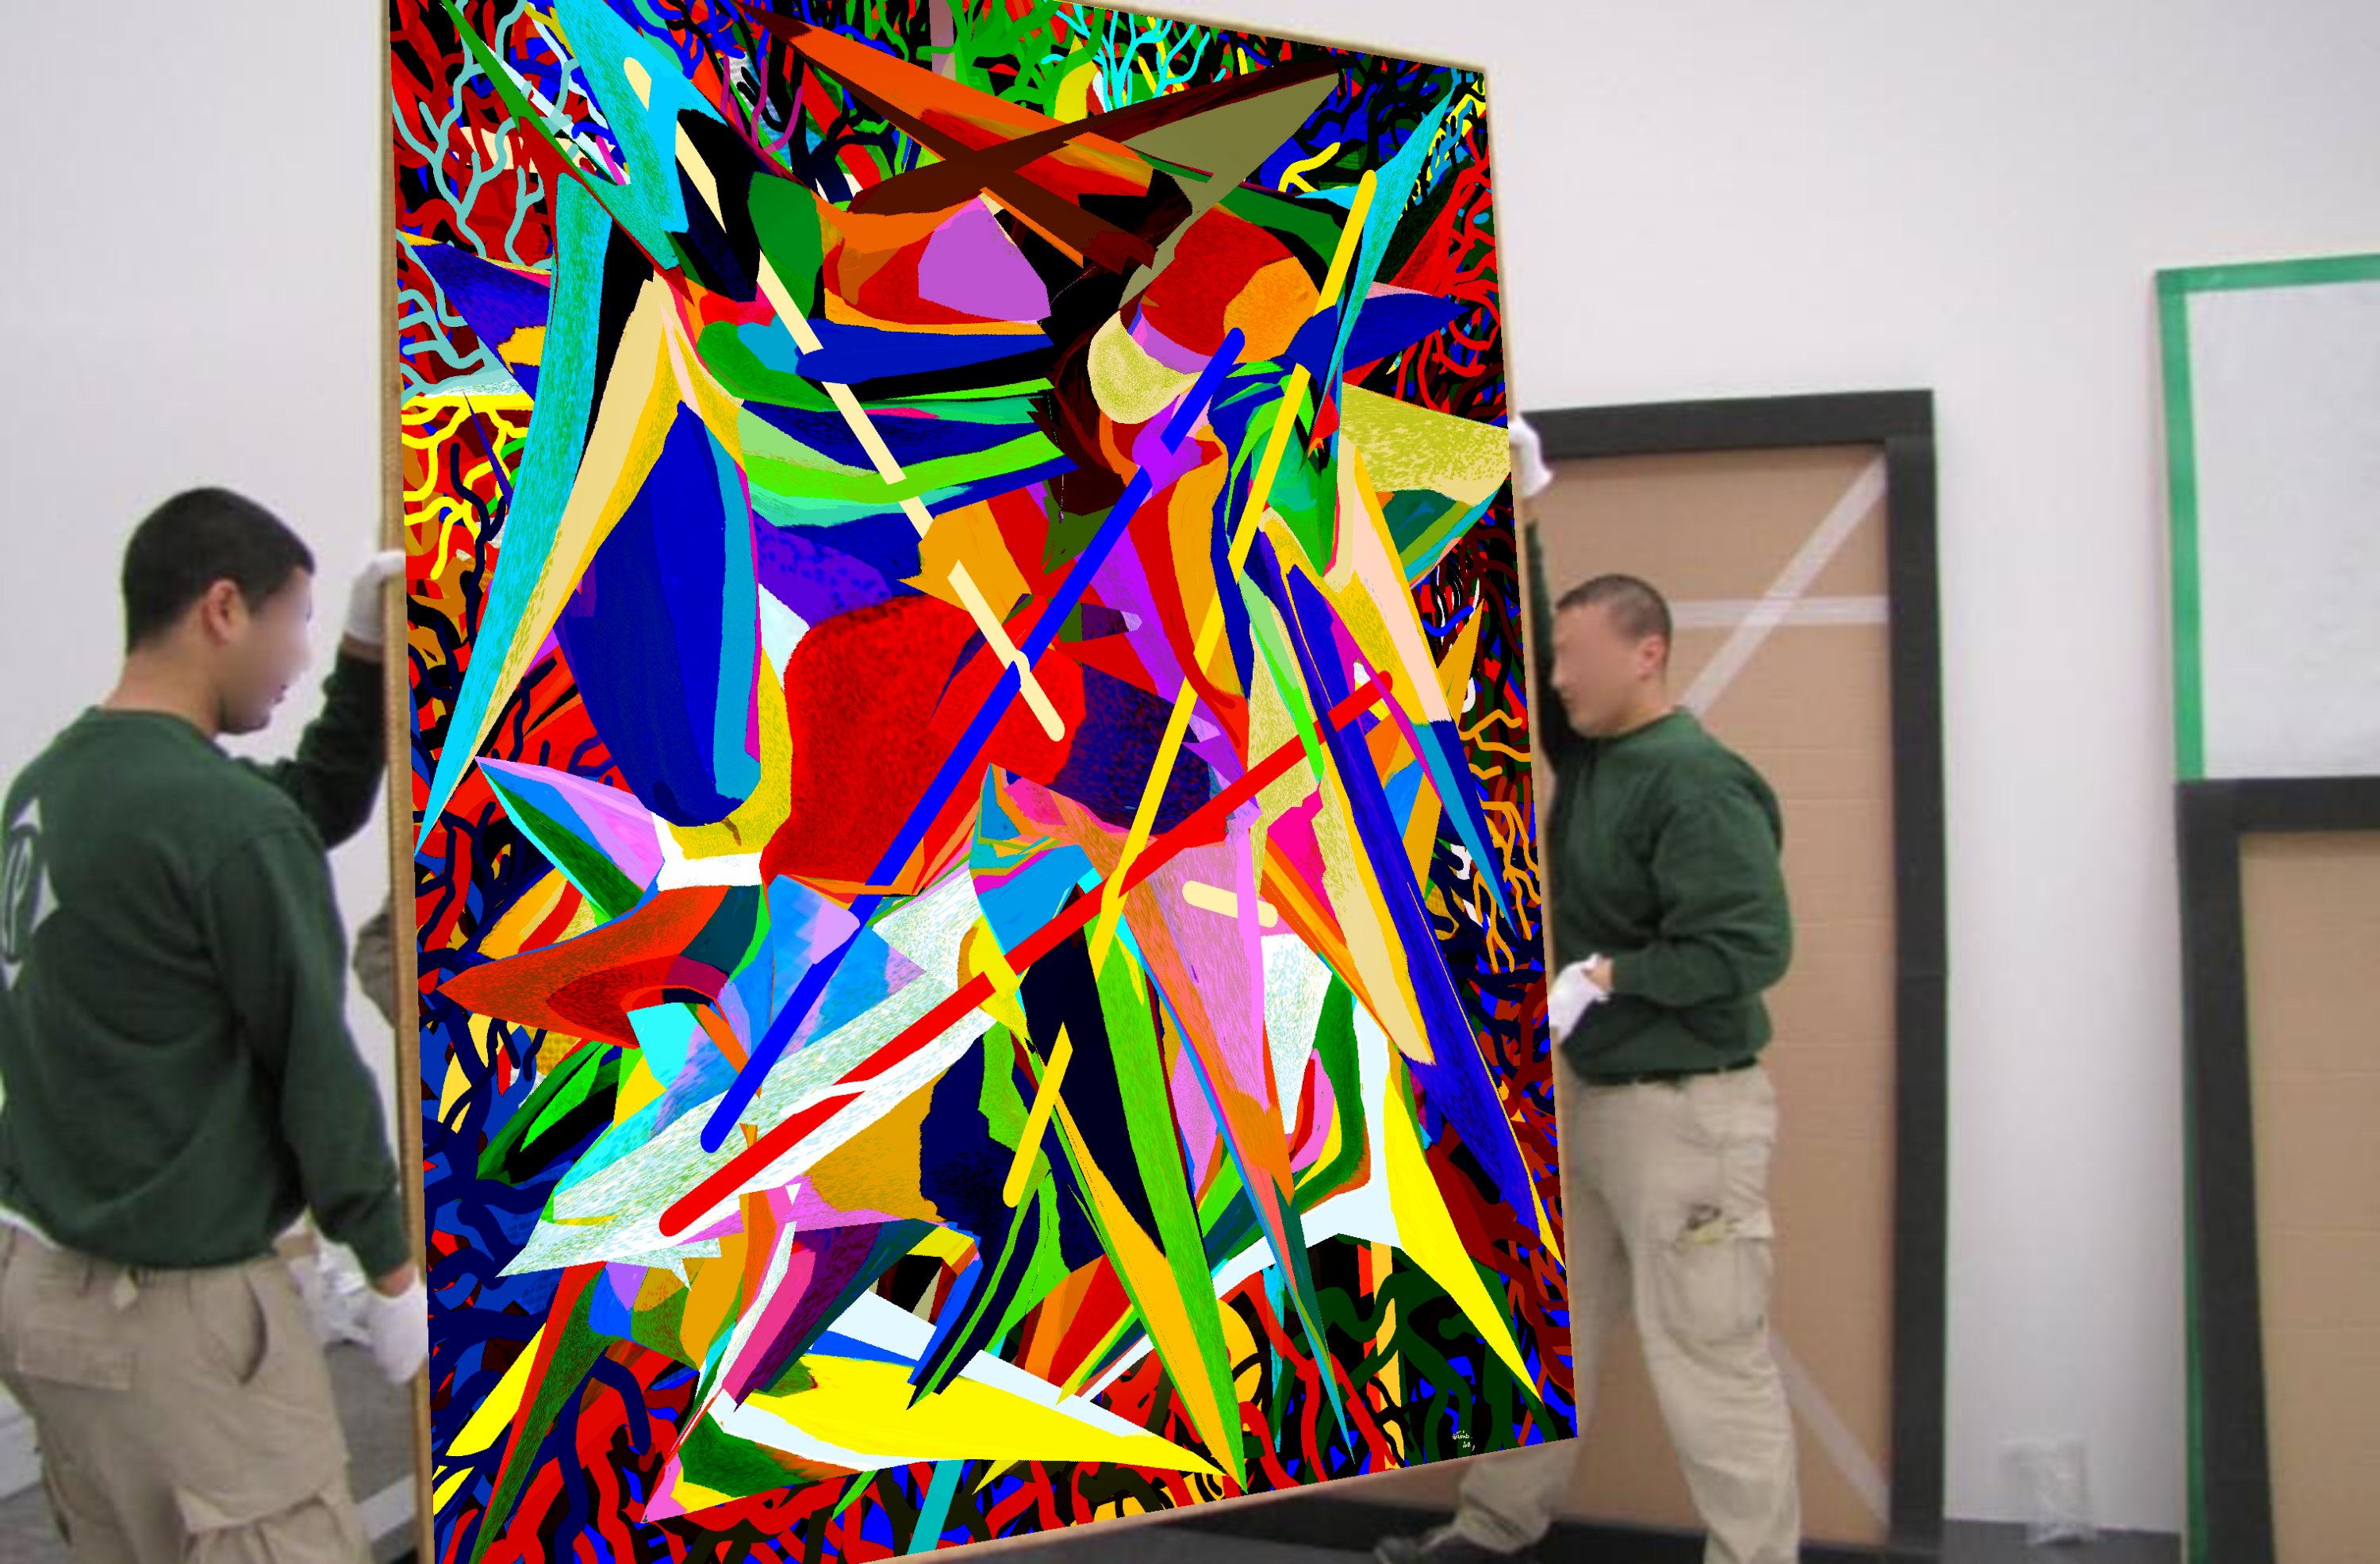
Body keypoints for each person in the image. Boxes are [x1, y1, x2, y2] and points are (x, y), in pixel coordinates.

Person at [1377, 421, 1800, 1564]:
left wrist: (1610, 976)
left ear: (1646, 655)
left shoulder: (1697, 784)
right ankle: (1490, 1532)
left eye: (1579, 660)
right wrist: (1516, 512)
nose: (1557, 681)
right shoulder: (1606, 755)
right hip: (1595, 1100)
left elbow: (1749, 951)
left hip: (1686, 1117)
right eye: (1557, 659)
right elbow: (1524, 662)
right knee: (1551, 1337)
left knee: (1712, 1356)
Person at [0, 488, 426, 1564]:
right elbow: (315, 1069)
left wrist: (364, 659)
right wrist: (389, 1270)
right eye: (295, 622)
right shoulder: (222, 824)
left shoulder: (49, 790)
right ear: (224, 609)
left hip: (48, 1299)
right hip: (184, 1330)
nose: (296, 658)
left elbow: (301, 807)